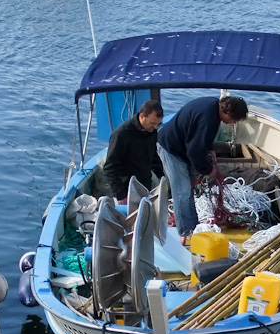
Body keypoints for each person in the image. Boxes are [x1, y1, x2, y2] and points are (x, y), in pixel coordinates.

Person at [157, 95, 248, 244]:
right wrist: (207, 170)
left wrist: (209, 150)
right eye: (234, 120)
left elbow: (200, 137)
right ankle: (185, 233)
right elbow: (194, 151)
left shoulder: (213, 105)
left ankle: (193, 226)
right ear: (228, 113)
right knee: (182, 191)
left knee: (188, 191)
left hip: (181, 146)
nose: (233, 123)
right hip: (171, 148)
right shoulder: (209, 118)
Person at [103, 99, 164, 204]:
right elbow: (109, 167)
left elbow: (153, 156)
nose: (155, 127)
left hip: (144, 186)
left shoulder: (151, 131)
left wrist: (161, 176)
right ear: (141, 116)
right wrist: (120, 195)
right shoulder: (121, 134)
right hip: (126, 189)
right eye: (152, 123)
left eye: (157, 124)